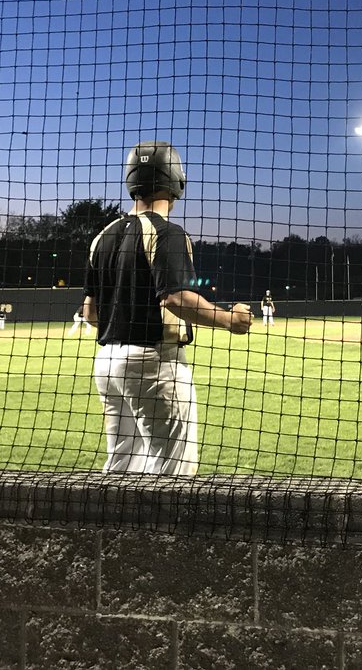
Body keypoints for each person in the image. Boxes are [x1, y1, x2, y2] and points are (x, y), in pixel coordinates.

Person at [82, 141, 253, 475]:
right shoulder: (167, 232)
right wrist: (231, 319)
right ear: (175, 179)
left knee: (122, 465)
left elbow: (90, 312)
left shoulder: (102, 236)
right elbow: (176, 299)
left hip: (107, 363)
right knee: (173, 473)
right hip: (153, 361)